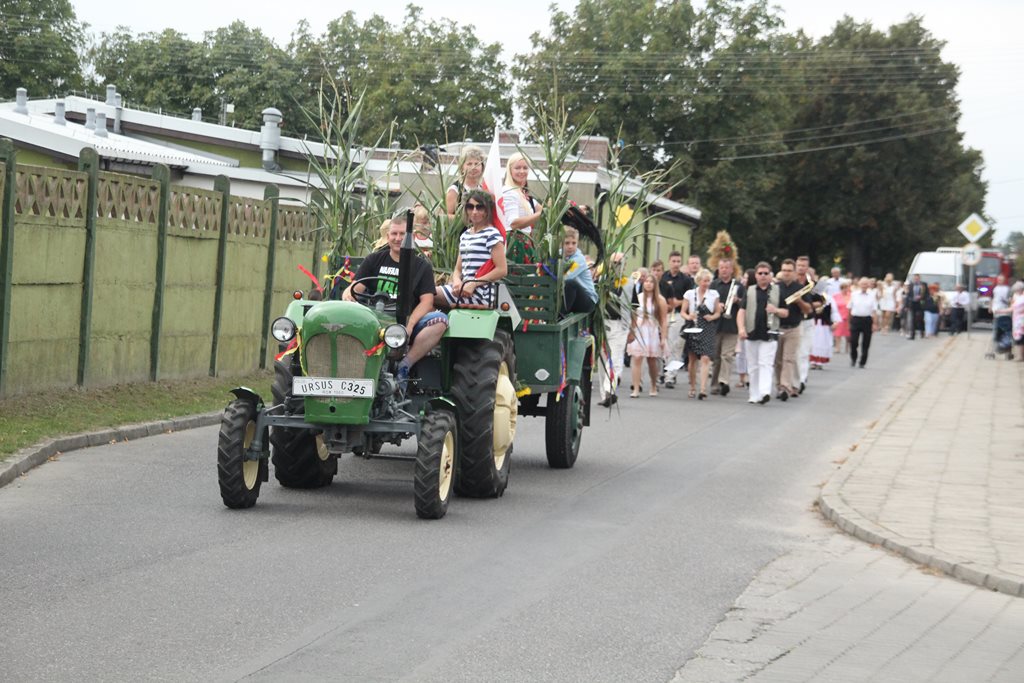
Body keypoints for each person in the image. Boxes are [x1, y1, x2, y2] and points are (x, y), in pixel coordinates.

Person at [344, 214, 448, 384]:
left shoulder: (422, 266)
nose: (398, 238)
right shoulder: (374, 260)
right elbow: (355, 289)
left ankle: (405, 365)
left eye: (402, 234)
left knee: (440, 320)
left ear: (411, 237)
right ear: (388, 236)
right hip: (374, 318)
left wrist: (409, 325)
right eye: (394, 234)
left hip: (406, 321)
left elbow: (427, 302)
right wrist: (348, 294)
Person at [437, 190, 507, 307]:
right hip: (463, 290)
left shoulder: (492, 234)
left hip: (481, 294)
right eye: (470, 207)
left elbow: (502, 270)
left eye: (479, 207)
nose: (474, 211)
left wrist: (474, 283)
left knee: (427, 294)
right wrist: (457, 281)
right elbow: (458, 269)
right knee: (424, 296)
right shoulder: (465, 235)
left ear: (487, 210)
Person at [736, 262, 782, 405]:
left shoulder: (777, 290)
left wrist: (776, 310)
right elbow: (742, 311)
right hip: (752, 332)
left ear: (770, 275)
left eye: (766, 273)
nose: (763, 276)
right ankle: (754, 394)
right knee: (753, 366)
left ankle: (764, 392)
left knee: (765, 363)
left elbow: (786, 312)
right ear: (755, 275)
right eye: (760, 273)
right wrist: (741, 329)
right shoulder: (749, 290)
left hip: (770, 333)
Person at [680, 268, 722, 399]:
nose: (706, 283)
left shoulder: (713, 294)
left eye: (708, 281)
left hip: (707, 328)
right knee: (692, 360)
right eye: (704, 281)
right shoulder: (689, 294)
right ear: (699, 281)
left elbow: (718, 312)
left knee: (705, 358)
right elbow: (683, 312)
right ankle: (692, 386)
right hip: (693, 327)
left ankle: (703, 389)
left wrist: (712, 317)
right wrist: (688, 316)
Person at [773, 259, 811, 401]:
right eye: (784, 270)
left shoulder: (800, 288)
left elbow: (808, 310)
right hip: (778, 327)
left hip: (794, 327)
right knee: (778, 360)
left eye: (789, 271)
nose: (786, 273)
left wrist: (799, 301)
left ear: (794, 272)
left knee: (788, 359)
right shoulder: (776, 287)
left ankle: (785, 386)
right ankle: (779, 385)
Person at [627, 273, 669, 397]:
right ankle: (635, 388)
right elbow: (633, 316)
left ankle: (653, 384)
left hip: (652, 330)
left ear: (655, 284)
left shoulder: (660, 300)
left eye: (651, 282)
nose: (648, 284)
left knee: (652, 360)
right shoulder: (638, 297)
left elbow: (663, 320)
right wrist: (631, 331)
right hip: (639, 329)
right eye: (646, 281)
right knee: (637, 358)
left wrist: (663, 338)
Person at [660, 251, 694, 388]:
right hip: (664, 314)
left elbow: (689, 298)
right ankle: (665, 370)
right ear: (669, 261)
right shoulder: (663, 277)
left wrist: (677, 302)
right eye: (673, 261)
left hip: (679, 314)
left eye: (678, 261)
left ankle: (670, 375)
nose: (676, 264)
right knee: (664, 345)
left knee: (675, 346)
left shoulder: (686, 280)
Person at [710, 257, 743, 395]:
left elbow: (745, 304)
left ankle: (724, 381)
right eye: (721, 267)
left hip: (732, 325)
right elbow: (707, 303)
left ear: (731, 269)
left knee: (727, 356)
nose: (724, 270)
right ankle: (715, 384)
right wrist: (716, 305)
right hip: (716, 325)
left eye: (727, 268)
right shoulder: (713, 285)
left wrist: (737, 300)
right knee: (716, 357)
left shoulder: (738, 285)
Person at [561, 227, 597, 314]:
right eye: (567, 243)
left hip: (587, 300)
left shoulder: (579, 259)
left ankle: (560, 315)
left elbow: (565, 276)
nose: (570, 246)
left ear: (577, 243)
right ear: (561, 243)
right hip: (572, 297)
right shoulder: (559, 254)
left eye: (574, 243)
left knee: (570, 283)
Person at [848, 277, 880, 368]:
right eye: (862, 284)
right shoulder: (854, 294)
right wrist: (849, 322)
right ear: (859, 284)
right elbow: (849, 308)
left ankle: (862, 362)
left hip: (867, 319)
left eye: (866, 284)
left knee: (866, 342)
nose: (864, 286)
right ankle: (853, 358)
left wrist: (875, 323)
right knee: (853, 341)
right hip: (856, 319)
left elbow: (874, 310)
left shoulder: (872, 295)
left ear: (868, 285)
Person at [446, 145, 484, 219]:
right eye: (469, 164)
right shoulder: (455, 190)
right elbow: (446, 216)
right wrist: (467, 220)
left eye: (477, 164)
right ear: (462, 167)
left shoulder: (483, 189)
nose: (473, 167)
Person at [810, 290, 840, 369]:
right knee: (813, 342)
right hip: (813, 323)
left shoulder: (829, 298)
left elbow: (834, 311)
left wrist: (835, 322)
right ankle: (813, 362)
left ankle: (820, 362)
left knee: (823, 342)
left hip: (825, 324)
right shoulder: (811, 296)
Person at [832, 280, 851, 353]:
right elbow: (833, 305)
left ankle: (847, 347)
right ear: (841, 289)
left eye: (846, 288)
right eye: (843, 288)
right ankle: (838, 347)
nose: (845, 289)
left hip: (848, 316)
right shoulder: (836, 296)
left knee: (848, 334)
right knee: (838, 333)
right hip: (839, 317)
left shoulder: (851, 296)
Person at [907, 274, 927, 339]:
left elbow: (927, 294)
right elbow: (909, 295)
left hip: (920, 304)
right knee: (912, 319)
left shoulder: (923, 285)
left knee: (920, 318)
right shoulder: (911, 285)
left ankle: (922, 332)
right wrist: (908, 303)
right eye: (915, 278)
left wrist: (921, 297)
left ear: (919, 278)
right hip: (913, 303)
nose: (916, 279)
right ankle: (912, 335)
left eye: (917, 278)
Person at [1009, 281, 1024, 361]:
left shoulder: (1022, 298)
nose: (1017, 291)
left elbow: (1013, 307)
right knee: (1018, 338)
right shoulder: (1015, 296)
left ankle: (1020, 356)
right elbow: (1012, 306)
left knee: (1020, 338)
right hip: (1016, 319)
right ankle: (1019, 355)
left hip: (1021, 320)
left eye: (1018, 290)